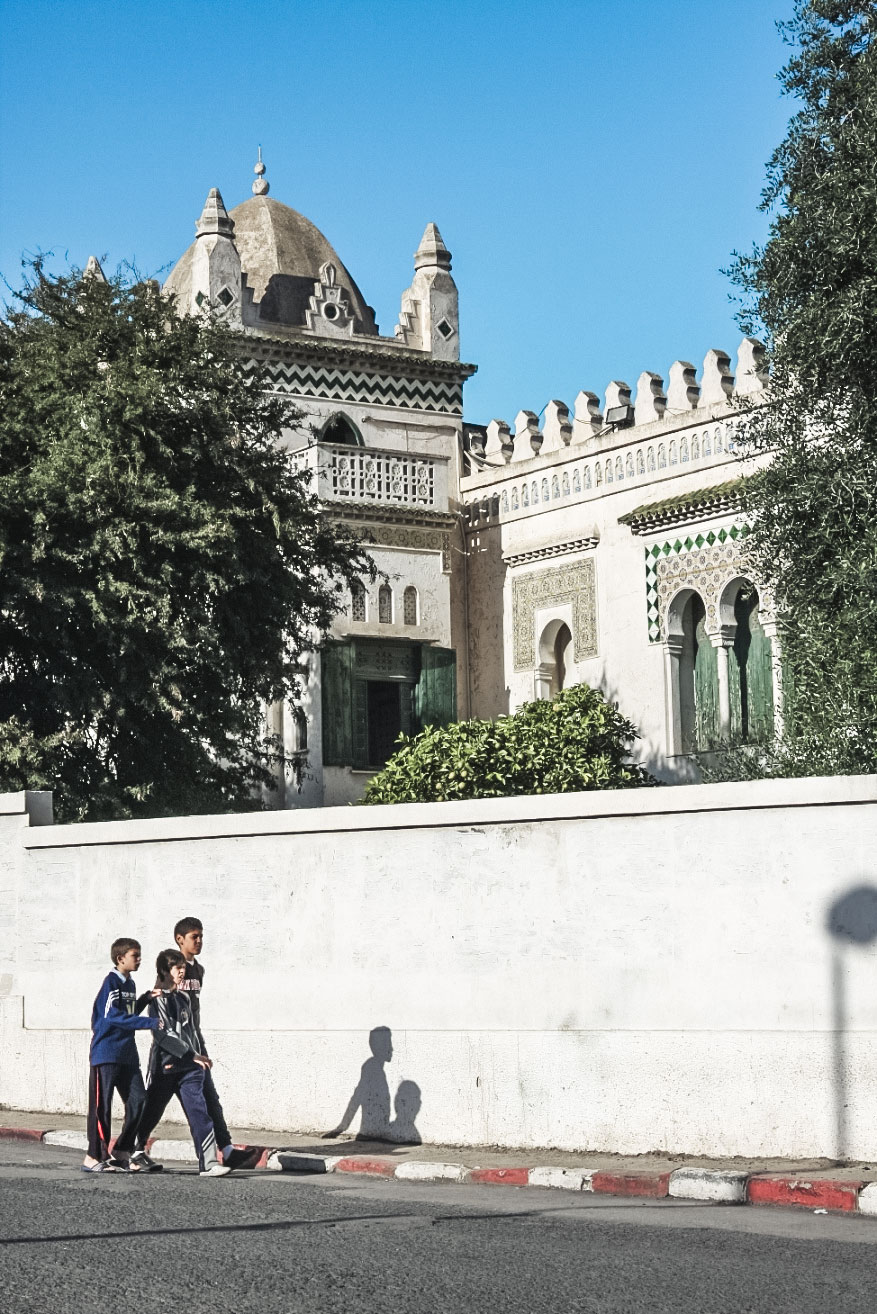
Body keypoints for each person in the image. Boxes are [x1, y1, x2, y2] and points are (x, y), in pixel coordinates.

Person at [150, 916, 256, 1170]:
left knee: (210, 1098)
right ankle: (132, 1150)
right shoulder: (170, 967)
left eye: (201, 936)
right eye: (194, 937)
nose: (199, 941)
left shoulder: (198, 971)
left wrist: (198, 1047)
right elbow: (162, 1012)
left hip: (196, 1046)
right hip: (172, 1052)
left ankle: (227, 1150)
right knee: (152, 1107)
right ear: (180, 939)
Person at [137, 948, 232, 1178]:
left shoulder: (184, 998)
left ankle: (208, 1163)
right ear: (166, 971)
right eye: (177, 968)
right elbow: (162, 1035)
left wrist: (198, 1055)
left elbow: (191, 1031)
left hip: (190, 1069)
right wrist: (191, 1055)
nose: (182, 972)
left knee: (200, 1112)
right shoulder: (158, 999)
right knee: (151, 1111)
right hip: (166, 1068)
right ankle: (134, 1150)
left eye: (183, 968)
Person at [82, 937, 162, 1174]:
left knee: (139, 1100)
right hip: (106, 1054)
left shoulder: (130, 984)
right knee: (101, 1108)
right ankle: (93, 1156)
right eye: (135, 955)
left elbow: (127, 1012)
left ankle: (121, 1151)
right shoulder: (111, 982)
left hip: (127, 1056)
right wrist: (150, 1022)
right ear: (120, 959)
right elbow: (111, 1017)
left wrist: (145, 999)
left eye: (139, 955)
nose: (139, 959)